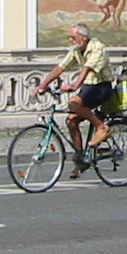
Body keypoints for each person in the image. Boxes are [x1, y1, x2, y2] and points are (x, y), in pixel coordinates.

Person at [37, 22, 116, 175]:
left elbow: (87, 68)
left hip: (101, 87)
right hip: (88, 87)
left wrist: (74, 86)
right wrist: (42, 85)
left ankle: (101, 127)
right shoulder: (76, 50)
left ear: (83, 37)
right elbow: (61, 67)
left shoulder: (98, 47)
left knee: (74, 102)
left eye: (73, 37)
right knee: (71, 121)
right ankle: (81, 159)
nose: (70, 40)